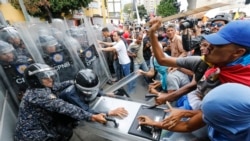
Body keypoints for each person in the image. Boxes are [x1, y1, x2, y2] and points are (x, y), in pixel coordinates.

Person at [138, 18, 250, 140]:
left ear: (238, 52)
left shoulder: (240, 91)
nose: (207, 48)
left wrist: (182, 113)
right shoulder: (206, 62)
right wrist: (152, 33)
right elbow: (163, 60)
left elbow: (194, 123)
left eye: (217, 45)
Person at [15, 63, 107, 141]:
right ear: (35, 81)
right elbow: (63, 107)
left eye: (50, 76)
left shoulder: (41, 87)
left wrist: (77, 81)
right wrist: (91, 116)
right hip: (32, 135)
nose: (50, 79)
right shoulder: (37, 94)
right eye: (45, 78)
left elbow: (58, 86)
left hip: (43, 125)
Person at [58, 68, 128, 118]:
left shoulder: (83, 86)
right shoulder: (71, 95)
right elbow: (86, 111)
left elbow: (94, 90)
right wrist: (109, 112)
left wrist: (105, 94)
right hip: (65, 114)